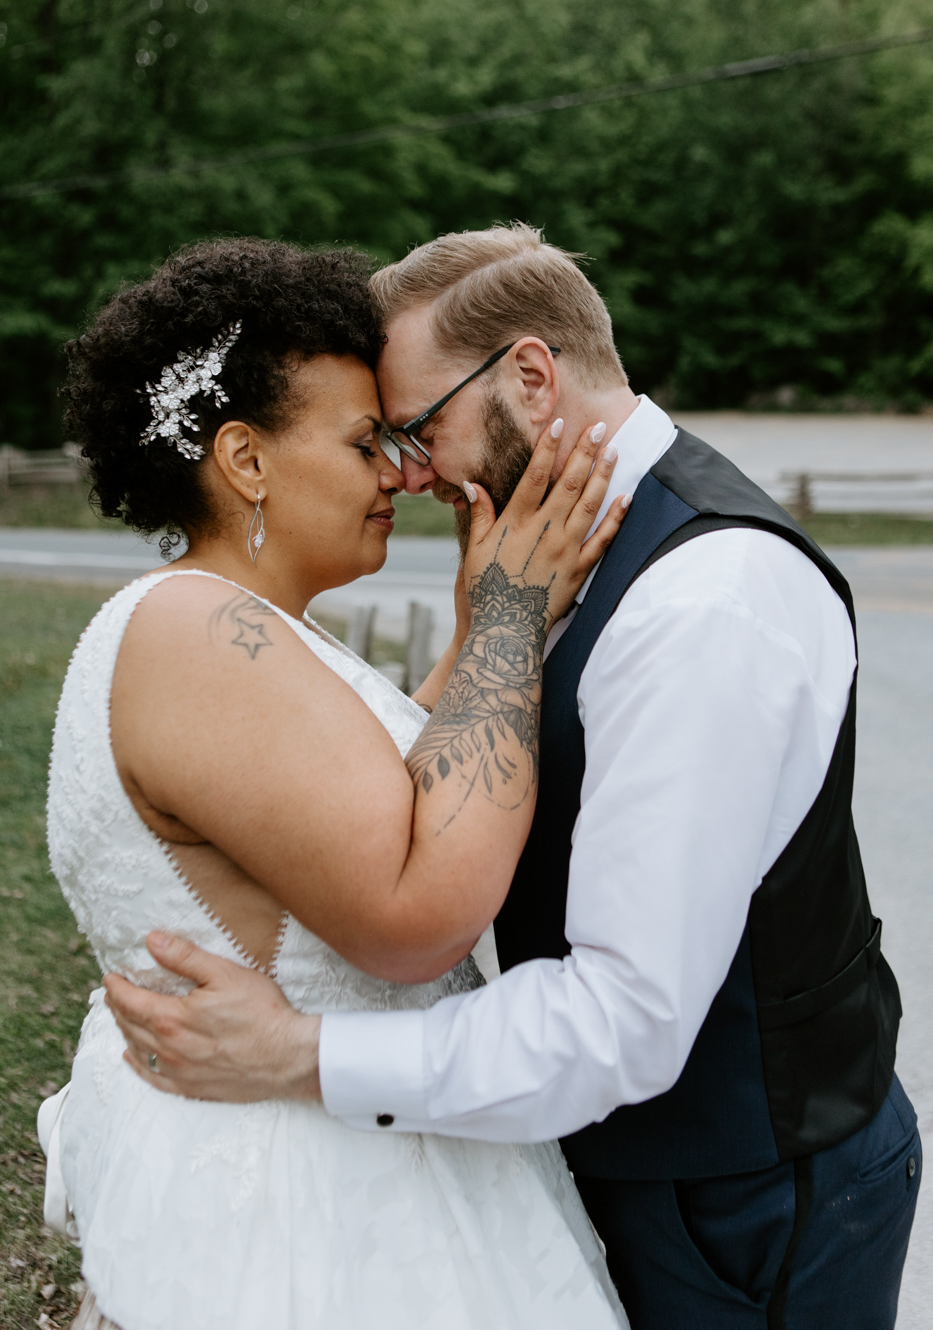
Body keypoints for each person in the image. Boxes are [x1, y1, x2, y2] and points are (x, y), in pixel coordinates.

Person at [109, 224, 922, 1330]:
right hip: (629, 1158)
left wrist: (302, 1053)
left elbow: (621, 1017)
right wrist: (497, 622)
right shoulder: (540, 553)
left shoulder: (705, 602)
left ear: (531, 376)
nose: (412, 469)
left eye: (418, 426)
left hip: (748, 1193)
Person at [44, 236, 630, 1330]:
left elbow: (396, 786)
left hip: (340, 1137)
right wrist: (507, 621)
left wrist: (483, 618)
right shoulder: (197, 631)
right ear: (246, 460)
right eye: (368, 442)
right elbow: (415, 918)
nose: (403, 473)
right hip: (302, 1198)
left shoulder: (244, 628)